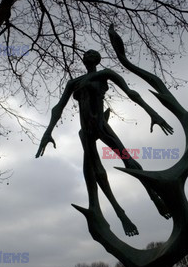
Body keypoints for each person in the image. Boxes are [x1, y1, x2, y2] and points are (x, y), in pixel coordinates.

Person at [36, 50, 173, 236]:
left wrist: (153, 113)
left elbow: (131, 93)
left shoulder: (105, 74)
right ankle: (120, 214)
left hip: (101, 126)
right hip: (86, 131)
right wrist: (47, 132)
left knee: (128, 159)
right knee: (97, 172)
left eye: (91, 54)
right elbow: (58, 108)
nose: (87, 56)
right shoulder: (73, 83)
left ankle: (154, 196)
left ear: (97, 59)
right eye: (85, 54)